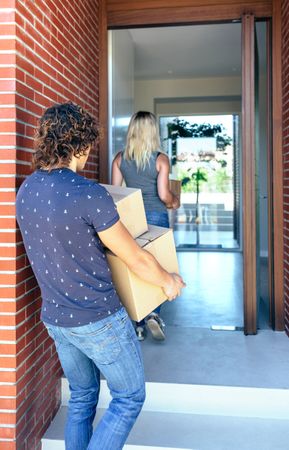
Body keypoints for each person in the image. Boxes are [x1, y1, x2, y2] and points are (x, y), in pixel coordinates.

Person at [16, 102, 185, 450]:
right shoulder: (89, 194)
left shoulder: (26, 191)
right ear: (79, 145)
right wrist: (168, 280)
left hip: (57, 320)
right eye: (89, 144)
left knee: (82, 397)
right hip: (99, 319)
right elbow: (135, 257)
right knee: (128, 397)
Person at [112, 111, 180, 342]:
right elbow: (163, 194)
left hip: (130, 221)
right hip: (156, 218)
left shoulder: (120, 159)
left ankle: (138, 324)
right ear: (153, 131)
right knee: (159, 265)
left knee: (135, 265)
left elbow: (116, 193)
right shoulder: (160, 159)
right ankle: (153, 314)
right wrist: (175, 200)